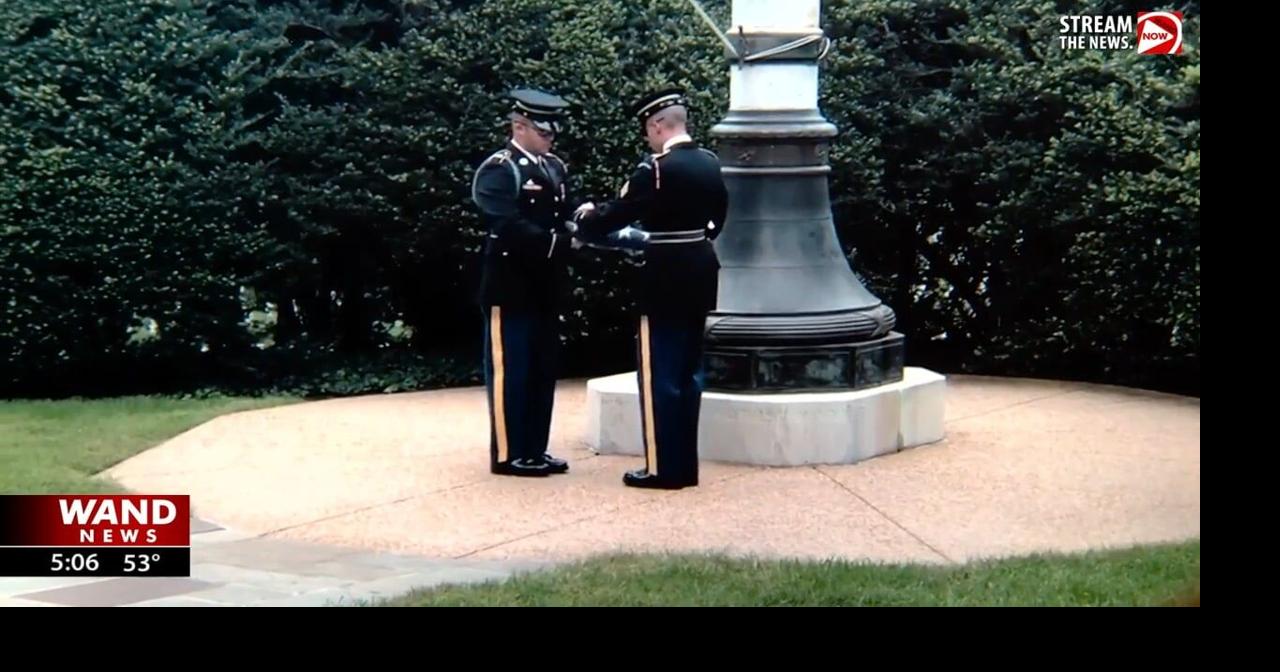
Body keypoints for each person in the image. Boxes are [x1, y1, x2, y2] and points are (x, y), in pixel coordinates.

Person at [572, 88, 728, 489]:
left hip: (664, 273)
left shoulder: (655, 170)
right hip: (701, 268)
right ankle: (685, 467)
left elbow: (618, 215)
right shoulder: (710, 162)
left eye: (648, 130)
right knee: (690, 372)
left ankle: (662, 467)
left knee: (659, 373)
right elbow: (718, 219)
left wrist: (588, 219)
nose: (648, 138)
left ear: (658, 126)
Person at [471, 88, 579, 477]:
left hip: (545, 285)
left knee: (540, 368)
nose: (552, 137)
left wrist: (589, 222)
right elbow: (506, 223)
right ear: (520, 125)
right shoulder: (500, 169)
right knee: (510, 369)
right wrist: (559, 243)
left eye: (553, 131)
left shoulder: (553, 167)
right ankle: (508, 452)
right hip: (511, 285)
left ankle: (534, 447)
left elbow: (567, 210)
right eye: (544, 131)